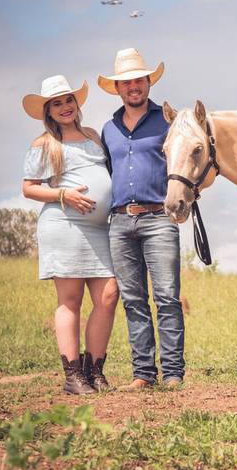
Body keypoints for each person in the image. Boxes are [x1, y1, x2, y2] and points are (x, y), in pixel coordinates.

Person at [21, 75, 119, 395]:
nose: (64, 107)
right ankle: (73, 375)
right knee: (71, 300)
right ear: (48, 111)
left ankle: (95, 371)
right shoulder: (45, 144)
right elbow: (29, 188)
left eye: (68, 100)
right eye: (56, 104)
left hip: (99, 229)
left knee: (108, 295)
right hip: (65, 225)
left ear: (76, 103)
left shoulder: (93, 136)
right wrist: (63, 194)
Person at [98, 48, 185, 389]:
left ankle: (173, 374)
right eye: (126, 82)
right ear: (117, 88)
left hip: (159, 219)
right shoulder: (109, 129)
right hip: (120, 222)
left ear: (149, 82)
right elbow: (109, 172)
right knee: (133, 301)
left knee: (167, 297)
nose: (133, 86)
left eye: (139, 80)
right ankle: (143, 375)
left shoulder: (168, 121)